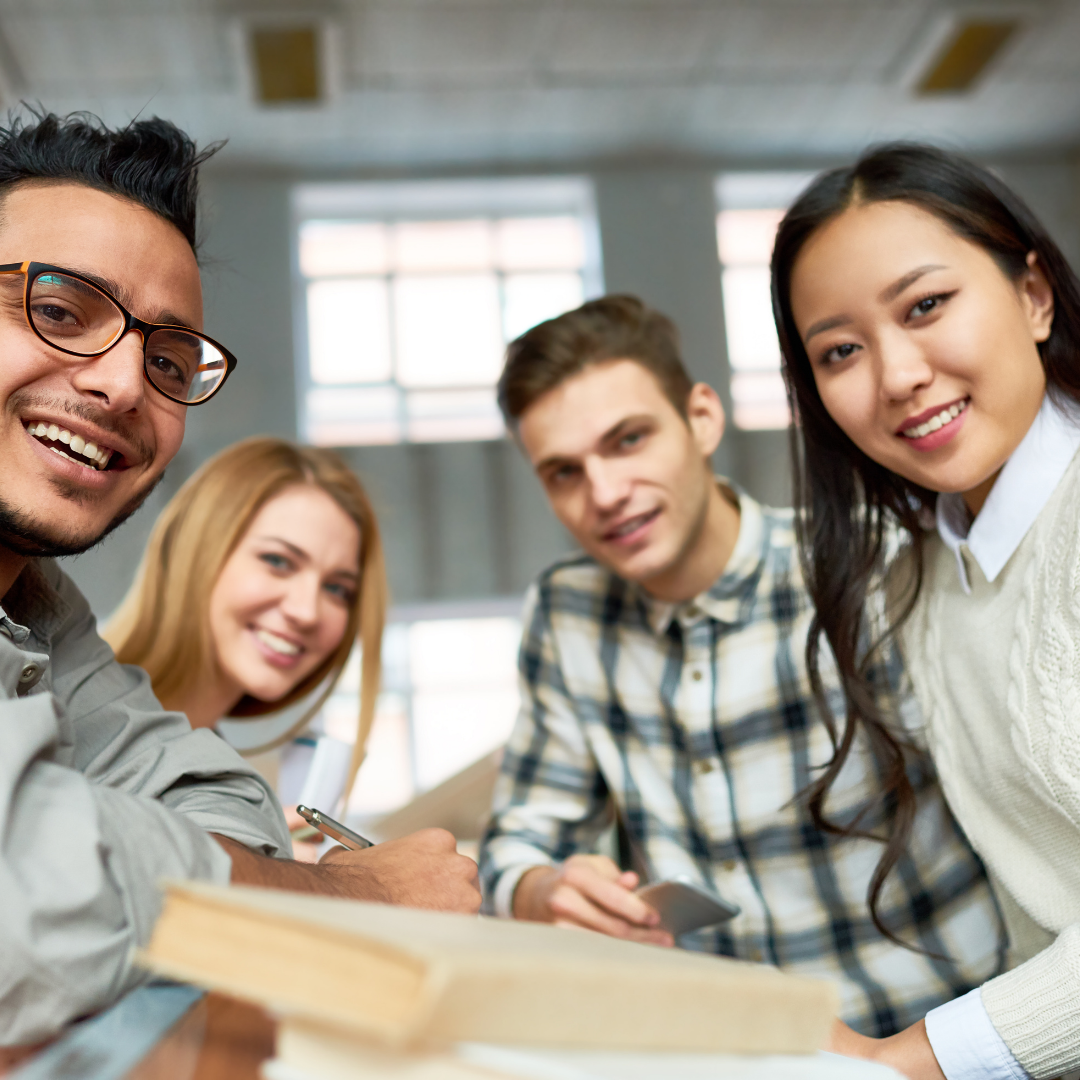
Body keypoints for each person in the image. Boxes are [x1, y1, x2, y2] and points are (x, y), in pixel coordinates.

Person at [0, 111, 477, 1047]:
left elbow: (231, 815)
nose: (125, 384)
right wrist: (336, 892)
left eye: (168, 360)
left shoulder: (43, 615)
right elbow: (30, 911)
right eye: (58, 311)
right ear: (199, 553)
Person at [478, 294, 1006, 1038]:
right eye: (564, 472)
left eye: (628, 440)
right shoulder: (568, 615)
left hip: (926, 1040)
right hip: (722, 1049)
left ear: (701, 418)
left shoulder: (866, 565)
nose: (604, 493)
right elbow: (518, 842)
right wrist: (541, 889)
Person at [772, 142, 1080, 1080]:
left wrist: (909, 1060)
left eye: (926, 306)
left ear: (1034, 295)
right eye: (840, 350)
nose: (897, 374)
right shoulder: (922, 576)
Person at [104, 437, 385, 858]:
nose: (308, 611)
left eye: (337, 589)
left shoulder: (216, 772)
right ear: (195, 549)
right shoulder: (59, 709)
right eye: (277, 561)